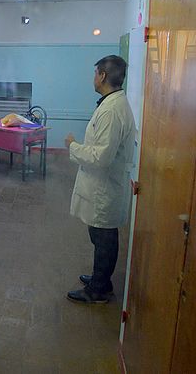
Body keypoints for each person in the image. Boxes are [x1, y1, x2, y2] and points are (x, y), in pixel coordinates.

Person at [65, 55, 136, 304]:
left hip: (105, 186)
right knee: (100, 235)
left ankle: (98, 290)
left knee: (104, 238)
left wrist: (73, 146)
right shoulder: (112, 104)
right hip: (103, 184)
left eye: (95, 73)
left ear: (103, 75)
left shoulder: (112, 110)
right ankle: (101, 279)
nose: (93, 78)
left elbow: (101, 157)